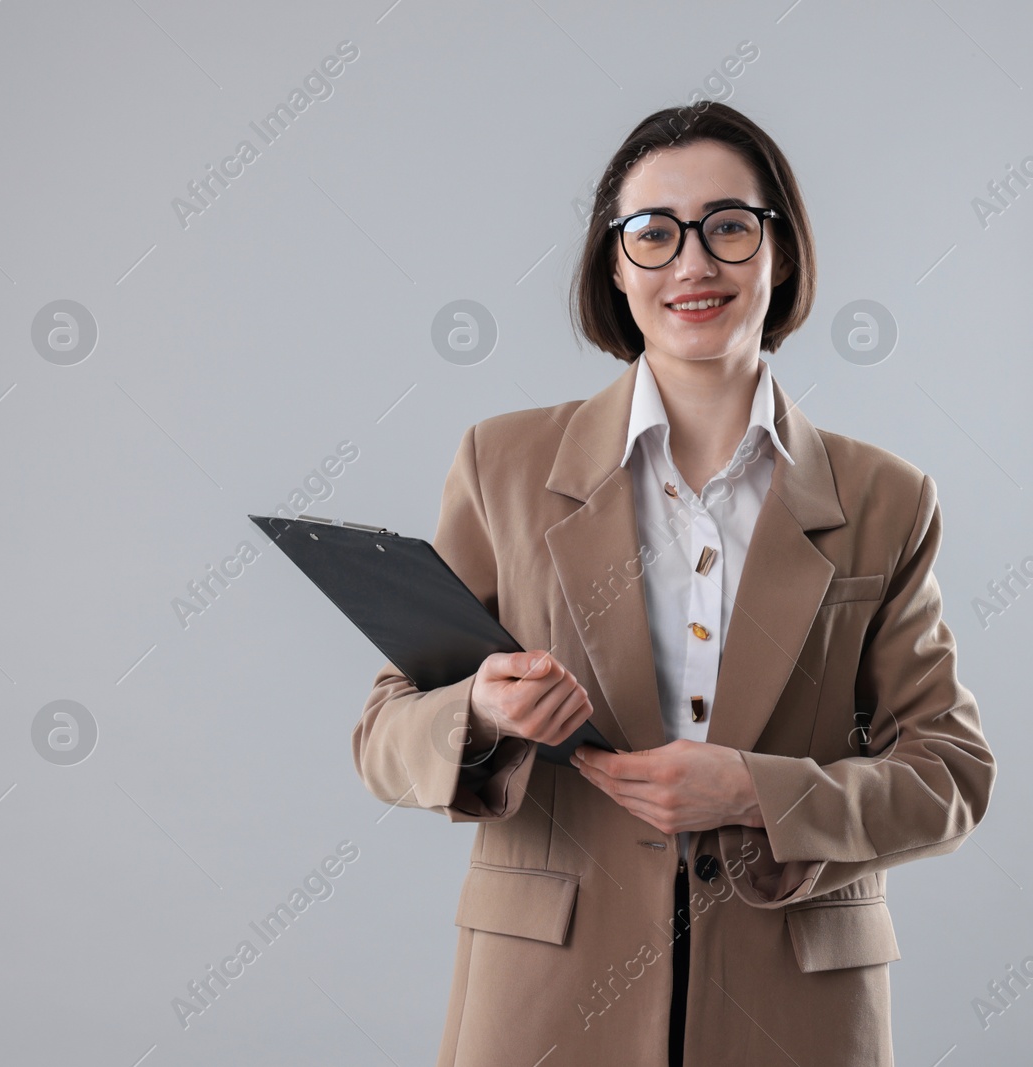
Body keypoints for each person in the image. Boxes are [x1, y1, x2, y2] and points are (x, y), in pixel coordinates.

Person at [351, 101, 996, 1067]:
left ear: (779, 251)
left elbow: (950, 776)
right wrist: (480, 709)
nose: (692, 264)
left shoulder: (885, 497)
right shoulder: (503, 464)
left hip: (795, 1003)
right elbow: (384, 735)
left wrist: (756, 791)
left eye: (729, 226)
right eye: (653, 234)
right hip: (546, 996)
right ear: (615, 266)